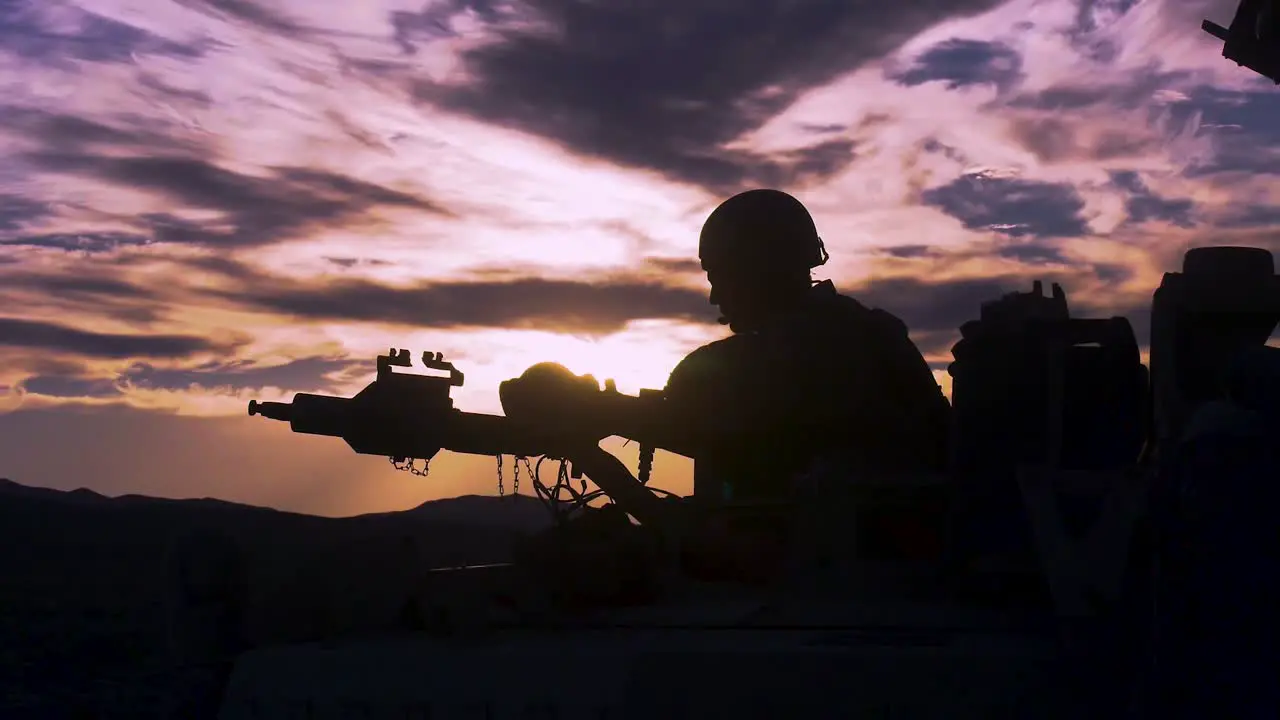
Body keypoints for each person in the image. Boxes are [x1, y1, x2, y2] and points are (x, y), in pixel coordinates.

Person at [501, 189, 950, 512]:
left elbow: (695, 418)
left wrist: (582, 407)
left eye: (720, 276)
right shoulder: (867, 332)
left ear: (757, 269)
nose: (715, 296)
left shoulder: (797, 353)